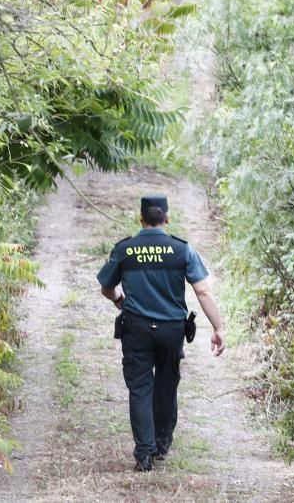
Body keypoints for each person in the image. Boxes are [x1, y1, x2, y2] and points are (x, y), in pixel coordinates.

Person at [96, 194, 225, 472]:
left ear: (141, 218)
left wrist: (121, 301)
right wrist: (218, 327)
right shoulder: (182, 250)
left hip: (137, 329)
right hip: (171, 330)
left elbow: (107, 288)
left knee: (140, 388)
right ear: (166, 218)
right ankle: (161, 443)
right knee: (167, 384)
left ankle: (144, 454)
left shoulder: (125, 249)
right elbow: (202, 290)